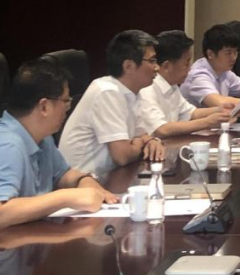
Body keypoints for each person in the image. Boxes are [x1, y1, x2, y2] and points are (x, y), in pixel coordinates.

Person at [0, 60, 119, 257]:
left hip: (8, 248)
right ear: (44, 106)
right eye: (66, 101)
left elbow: (63, 174)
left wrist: (85, 181)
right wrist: (66, 197)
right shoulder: (6, 146)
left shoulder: (39, 136)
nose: (68, 108)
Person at [59, 30, 166, 174]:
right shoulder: (107, 92)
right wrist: (140, 142)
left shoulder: (133, 92)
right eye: (152, 61)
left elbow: (141, 134)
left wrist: (152, 141)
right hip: (82, 181)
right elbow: (122, 156)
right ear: (128, 66)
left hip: (108, 176)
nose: (157, 67)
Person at [138, 30, 235, 138]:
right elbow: (161, 129)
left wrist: (219, 110)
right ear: (167, 66)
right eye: (186, 63)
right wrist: (207, 122)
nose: (189, 69)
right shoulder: (147, 88)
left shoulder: (172, 84)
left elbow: (191, 113)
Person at [181, 23, 240, 109]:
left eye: (235, 52)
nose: (234, 58)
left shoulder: (224, 71)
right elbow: (218, 102)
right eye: (228, 53)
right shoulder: (198, 75)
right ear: (210, 54)